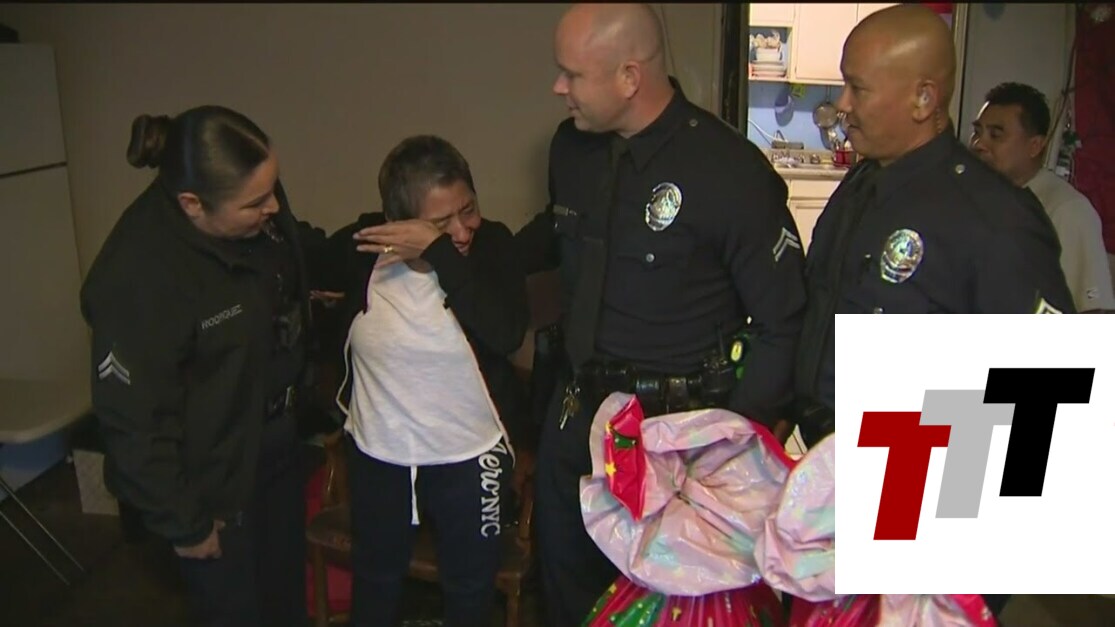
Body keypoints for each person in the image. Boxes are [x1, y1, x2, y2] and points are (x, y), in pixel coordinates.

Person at [515, 4, 807, 624]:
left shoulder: (728, 171)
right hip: (578, 421)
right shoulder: (572, 151)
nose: (558, 87)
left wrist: (729, 450)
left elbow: (783, 323)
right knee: (567, 596)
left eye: (573, 74)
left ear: (629, 77)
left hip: (673, 442)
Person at [791, 6, 1076, 618]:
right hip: (830, 491)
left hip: (925, 506)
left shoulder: (992, 218)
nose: (843, 104)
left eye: (858, 88)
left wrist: (971, 586)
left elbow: (1046, 398)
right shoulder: (860, 190)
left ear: (923, 98)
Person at [81, 105, 330, 626]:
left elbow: (289, 252)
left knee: (287, 602)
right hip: (212, 481)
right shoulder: (138, 277)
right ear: (192, 204)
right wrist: (185, 524)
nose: (273, 206)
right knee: (235, 612)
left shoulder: (252, 197)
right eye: (255, 203)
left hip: (276, 442)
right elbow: (132, 423)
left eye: (274, 190)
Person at [327, 135, 529, 627]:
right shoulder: (366, 251)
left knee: (470, 591)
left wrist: (441, 252)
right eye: (440, 224)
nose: (461, 230)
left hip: (469, 456)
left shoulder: (493, 247)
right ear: (398, 223)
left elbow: (504, 332)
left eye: (468, 209)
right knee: (375, 584)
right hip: (380, 454)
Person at [970, 81, 1115, 313]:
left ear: (1035, 146)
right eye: (977, 133)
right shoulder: (972, 199)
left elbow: (1095, 311)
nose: (979, 144)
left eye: (995, 135)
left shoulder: (1068, 210)